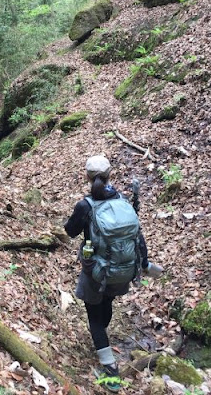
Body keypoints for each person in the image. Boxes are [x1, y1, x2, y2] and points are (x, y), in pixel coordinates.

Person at [64, 155, 163, 392]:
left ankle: (110, 370)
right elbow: (138, 236)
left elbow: (70, 232)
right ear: (111, 174)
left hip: (95, 270)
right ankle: (103, 342)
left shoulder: (85, 206)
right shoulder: (123, 200)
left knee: (94, 318)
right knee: (106, 303)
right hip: (124, 270)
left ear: (86, 176)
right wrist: (145, 264)